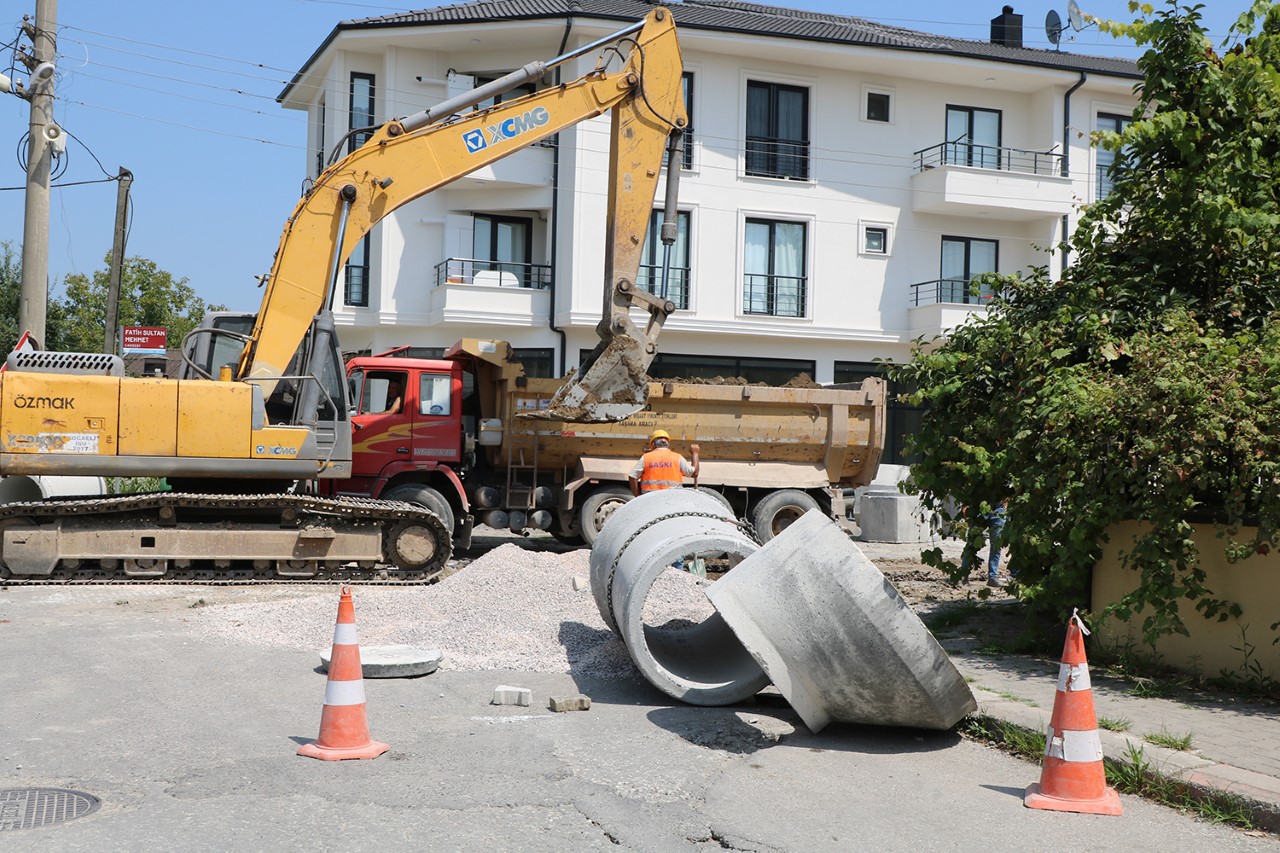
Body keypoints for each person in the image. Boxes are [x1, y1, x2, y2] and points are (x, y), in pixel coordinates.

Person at [628, 429, 700, 495]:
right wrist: (695, 453)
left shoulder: (646, 457)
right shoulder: (677, 457)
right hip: (672, 498)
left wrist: (638, 497)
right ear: (668, 444)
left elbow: (632, 476)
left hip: (650, 499)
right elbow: (694, 473)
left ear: (653, 444)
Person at [961, 500, 1007, 587]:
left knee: (996, 545)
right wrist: (965, 504)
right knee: (972, 543)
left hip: (998, 509)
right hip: (979, 508)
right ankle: (964, 575)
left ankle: (993, 577)